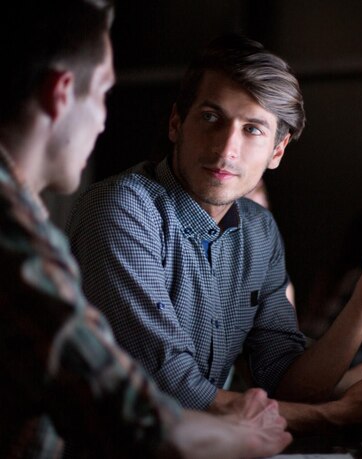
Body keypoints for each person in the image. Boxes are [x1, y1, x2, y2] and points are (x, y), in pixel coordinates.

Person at [67, 34, 362, 432]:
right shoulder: (122, 208)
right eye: (211, 117)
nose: (227, 149)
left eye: (253, 129)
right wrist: (332, 416)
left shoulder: (259, 231)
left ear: (278, 151)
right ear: (176, 124)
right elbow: (170, 392)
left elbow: (289, 385)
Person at [0, 2, 292, 458]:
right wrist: (252, 434)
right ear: (62, 93)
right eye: (102, 95)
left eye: (253, 129)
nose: (101, 121)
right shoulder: (17, 234)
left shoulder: (22, 217)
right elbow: (129, 413)